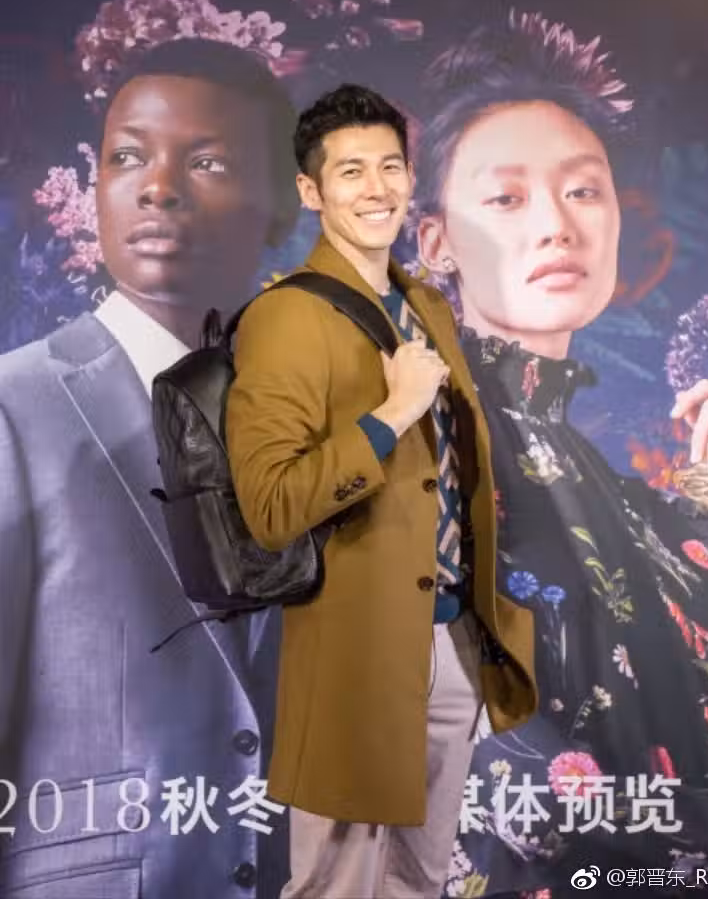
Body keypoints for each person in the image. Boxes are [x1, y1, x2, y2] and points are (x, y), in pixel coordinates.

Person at [413, 13, 708, 894]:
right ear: (436, 242)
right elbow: (514, 784)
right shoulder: (415, 451)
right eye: (507, 199)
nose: (557, 225)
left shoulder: (574, 456)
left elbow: (658, 564)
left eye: (583, 191)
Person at [0, 37, 298, 899]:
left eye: (207, 162)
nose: (157, 187)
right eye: (127, 157)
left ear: (282, 206)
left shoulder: (331, 426)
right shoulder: (13, 411)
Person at [225, 83, 537, 899]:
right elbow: (272, 506)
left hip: (451, 639)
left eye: (390, 167)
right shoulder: (285, 317)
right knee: (336, 884)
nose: (377, 189)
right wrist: (392, 414)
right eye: (351, 170)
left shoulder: (426, 304)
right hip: (353, 651)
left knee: (420, 882)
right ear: (310, 191)